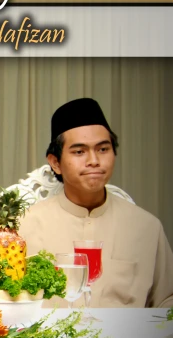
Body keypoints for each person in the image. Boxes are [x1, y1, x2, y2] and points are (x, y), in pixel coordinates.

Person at [19, 97, 173, 308]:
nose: (94, 160)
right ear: (56, 163)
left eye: (102, 149)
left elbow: (167, 300)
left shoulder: (146, 227)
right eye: (79, 152)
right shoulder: (25, 226)